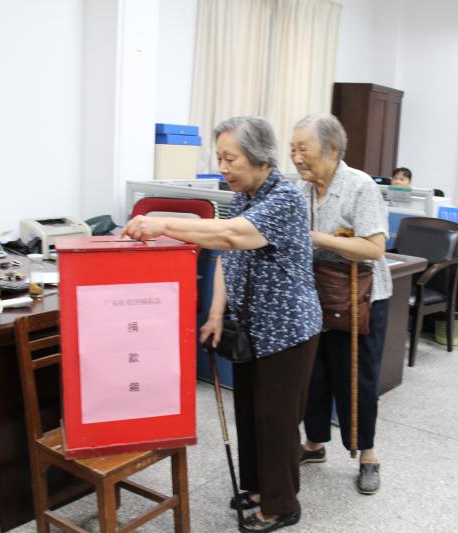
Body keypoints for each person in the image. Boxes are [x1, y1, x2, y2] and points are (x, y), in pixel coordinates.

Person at [124, 116, 322, 533]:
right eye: (220, 158)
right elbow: (225, 256)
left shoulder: (285, 198)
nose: (223, 167)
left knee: (277, 420)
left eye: (230, 158)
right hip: (251, 327)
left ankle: (282, 505)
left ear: (259, 157)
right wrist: (216, 315)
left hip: (288, 330)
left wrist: (162, 224)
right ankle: (258, 488)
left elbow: (232, 236)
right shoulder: (242, 198)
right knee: (250, 413)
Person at [290, 113, 392, 495]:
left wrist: (318, 237)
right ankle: (314, 443)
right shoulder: (300, 189)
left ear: (332, 149)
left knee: (356, 376)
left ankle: (367, 454)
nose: (296, 158)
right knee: (314, 373)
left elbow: (374, 247)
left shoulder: (359, 186)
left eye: (304, 149)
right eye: (292, 149)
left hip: (359, 297)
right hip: (316, 294)